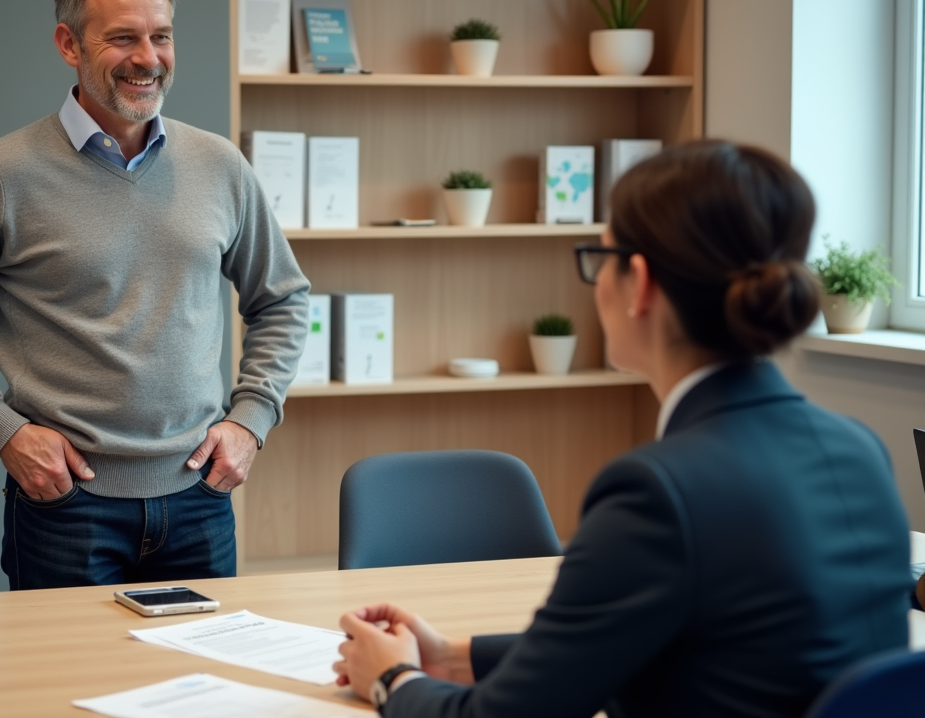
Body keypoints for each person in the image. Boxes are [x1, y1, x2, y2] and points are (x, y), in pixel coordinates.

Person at [334, 140, 912, 718]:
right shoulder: (859, 449)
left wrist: (391, 678)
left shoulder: (660, 490)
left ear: (638, 282)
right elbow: (666, 640)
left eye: (599, 256)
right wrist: (454, 657)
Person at [0, 0, 309, 589]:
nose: (148, 58)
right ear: (69, 44)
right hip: (67, 507)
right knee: (61, 690)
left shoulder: (220, 167)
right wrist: (3, 432)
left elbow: (283, 300)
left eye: (161, 36)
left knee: (203, 688)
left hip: (199, 501)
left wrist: (250, 420)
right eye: (122, 37)